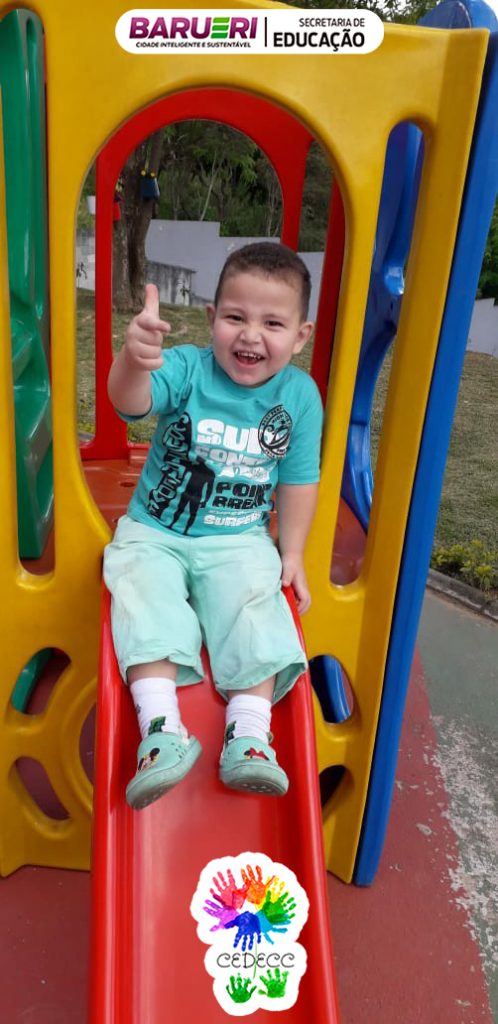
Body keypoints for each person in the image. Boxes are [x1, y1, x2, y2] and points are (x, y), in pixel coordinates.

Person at [103, 242, 323, 810]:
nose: (250, 335)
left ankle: (247, 734)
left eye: (272, 323)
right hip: (157, 531)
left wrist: (292, 552)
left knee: (255, 604)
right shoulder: (187, 368)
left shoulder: (299, 397)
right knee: (139, 589)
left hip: (238, 537)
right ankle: (162, 731)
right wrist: (135, 361)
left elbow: (299, 480)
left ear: (300, 335)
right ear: (211, 318)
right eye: (235, 317)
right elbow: (131, 402)